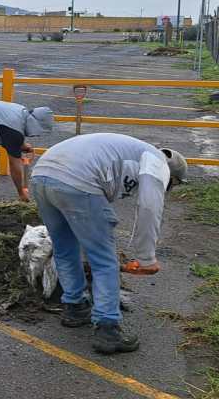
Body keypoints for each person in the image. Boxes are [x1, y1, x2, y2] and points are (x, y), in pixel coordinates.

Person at [29, 133, 187, 354]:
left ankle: (75, 307)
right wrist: (146, 258)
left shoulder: (132, 153)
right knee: (104, 261)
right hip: (77, 180)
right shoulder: (157, 162)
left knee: (65, 249)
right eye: (173, 185)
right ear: (172, 176)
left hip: (42, 175)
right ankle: (107, 329)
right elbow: (149, 208)